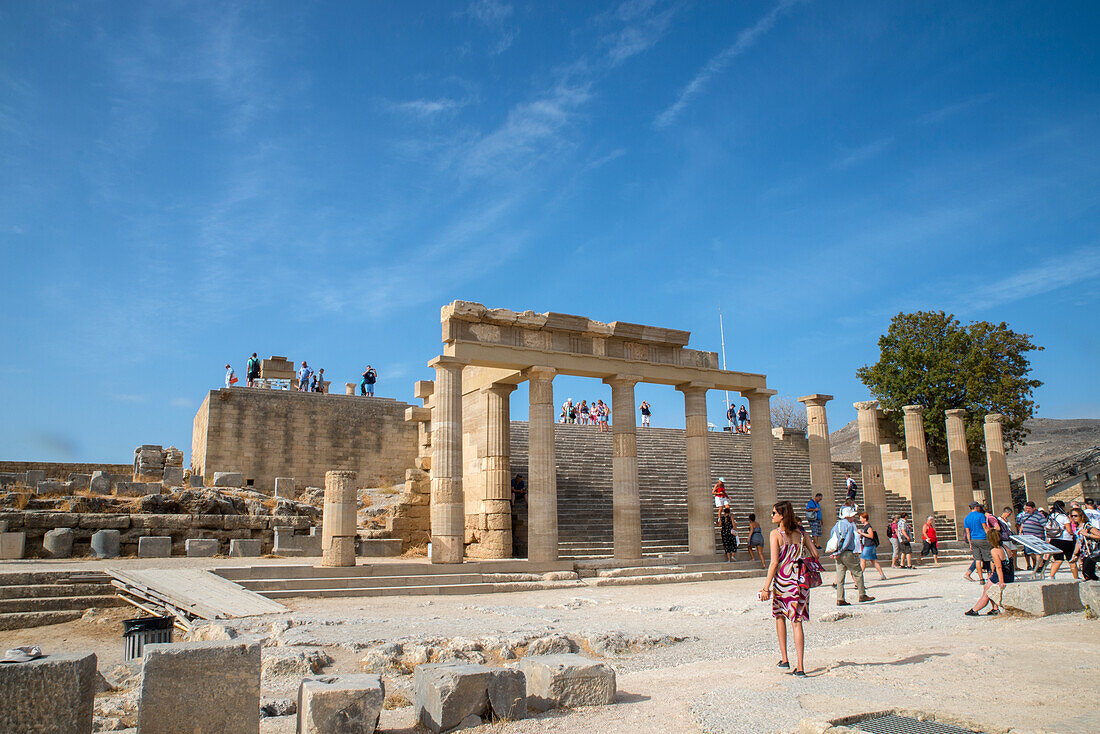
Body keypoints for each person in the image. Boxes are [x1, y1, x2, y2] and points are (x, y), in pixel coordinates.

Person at [759, 500, 819, 677]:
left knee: (779, 617)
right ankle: (800, 667)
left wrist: (765, 588)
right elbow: (815, 554)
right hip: (800, 582)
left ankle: (785, 659)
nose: (771, 516)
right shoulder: (801, 533)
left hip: (783, 581)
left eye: (774, 513)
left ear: (782, 515)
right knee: (797, 622)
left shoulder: (776, 534)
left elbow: (774, 563)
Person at [828, 506, 874, 606]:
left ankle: (840, 598)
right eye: (852, 516)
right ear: (848, 517)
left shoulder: (837, 525)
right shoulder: (848, 525)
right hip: (846, 552)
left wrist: (836, 552)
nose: (854, 518)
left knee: (840, 577)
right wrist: (840, 551)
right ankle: (862, 594)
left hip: (838, 553)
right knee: (858, 572)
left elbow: (833, 536)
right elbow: (847, 541)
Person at [965, 526, 1013, 616]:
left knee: (987, 590)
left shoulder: (995, 551)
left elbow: (999, 568)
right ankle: (995, 608)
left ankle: (975, 610)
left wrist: (1001, 582)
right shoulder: (1005, 547)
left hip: (1002, 575)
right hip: (1009, 574)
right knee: (986, 586)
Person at [1046, 500, 1078, 580]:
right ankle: (1076, 577)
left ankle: (1051, 576)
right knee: (1071, 559)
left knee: (1058, 559)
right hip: (1065, 539)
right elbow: (1069, 530)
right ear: (1062, 507)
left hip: (1054, 539)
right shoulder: (1064, 517)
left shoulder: (1050, 516)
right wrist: (1073, 534)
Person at [1070, 507, 1100, 580]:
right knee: (1088, 572)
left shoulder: (1087, 526)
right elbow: (1078, 541)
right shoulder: (1078, 527)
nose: (1074, 518)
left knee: (1086, 572)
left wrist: (1087, 535)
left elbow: (1099, 535)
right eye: (1072, 516)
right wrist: (1075, 554)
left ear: (1081, 516)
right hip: (1084, 552)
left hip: (1091, 551)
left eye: (1076, 516)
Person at [1016, 501, 1048, 571]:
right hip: (1027, 538)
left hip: (1037, 537)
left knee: (1037, 552)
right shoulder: (1025, 515)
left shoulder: (1040, 515)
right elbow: (1022, 523)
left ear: (1034, 508)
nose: (1027, 510)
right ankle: (1040, 562)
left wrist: (1047, 536)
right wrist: (1020, 532)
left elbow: (1045, 525)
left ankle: (1039, 567)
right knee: (1029, 552)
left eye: (1029, 508)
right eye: (1026, 508)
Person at [963, 501, 990, 583]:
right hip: (982, 538)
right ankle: (989, 576)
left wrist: (970, 543)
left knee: (977, 559)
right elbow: (985, 527)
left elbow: (967, 532)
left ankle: (981, 578)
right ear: (976, 507)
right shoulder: (981, 515)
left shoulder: (966, 518)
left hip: (973, 539)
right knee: (987, 558)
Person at [857, 511, 888, 580]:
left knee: (863, 560)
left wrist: (862, 533)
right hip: (869, 545)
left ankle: (859, 576)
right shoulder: (866, 526)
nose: (860, 520)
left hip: (868, 545)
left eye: (861, 518)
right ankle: (882, 575)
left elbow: (871, 536)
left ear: (865, 518)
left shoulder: (868, 526)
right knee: (873, 561)